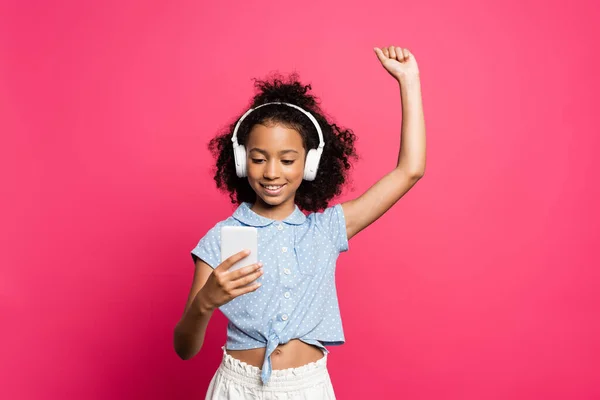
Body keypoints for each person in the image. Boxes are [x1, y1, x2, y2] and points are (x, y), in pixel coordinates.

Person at [174, 45, 426, 399]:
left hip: (307, 388)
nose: (272, 172)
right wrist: (206, 301)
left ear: (309, 165)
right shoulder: (221, 238)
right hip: (238, 387)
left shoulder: (327, 230)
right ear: (243, 162)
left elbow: (409, 170)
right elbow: (184, 349)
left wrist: (408, 80)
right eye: (259, 159)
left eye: (288, 160)